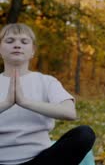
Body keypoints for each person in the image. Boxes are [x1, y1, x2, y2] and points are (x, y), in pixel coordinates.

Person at [0, 23, 95, 165]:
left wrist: (25, 102)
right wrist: (7, 103)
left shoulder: (46, 81)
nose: (17, 45)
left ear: (33, 51)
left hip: (42, 161)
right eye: (10, 41)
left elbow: (70, 113)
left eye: (24, 41)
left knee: (84, 134)